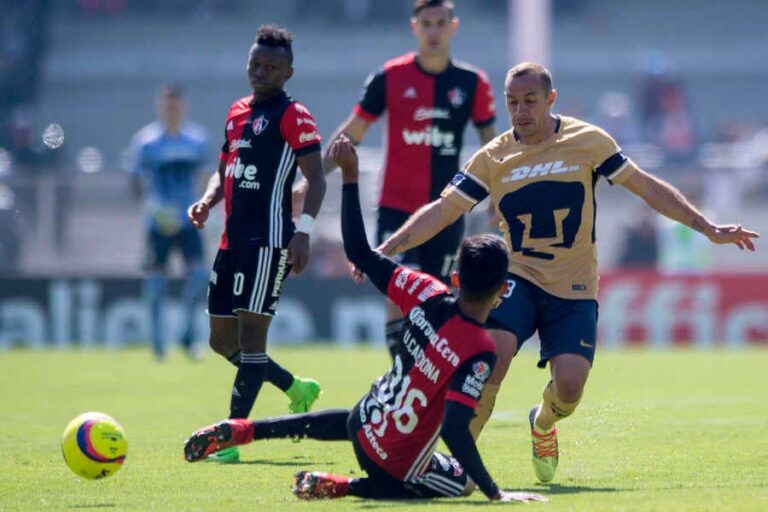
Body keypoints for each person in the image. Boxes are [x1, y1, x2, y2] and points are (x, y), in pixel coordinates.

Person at [378, 62, 760, 483]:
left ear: (551, 99)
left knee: (570, 387)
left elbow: (646, 187)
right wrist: (390, 247)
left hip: (574, 286)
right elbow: (444, 210)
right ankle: (459, 470)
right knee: (491, 356)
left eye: (530, 101)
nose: (520, 110)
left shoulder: (588, 141)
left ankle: (542, 422)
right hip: (518, 277)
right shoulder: (493, 156)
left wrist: (707, 227)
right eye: (512, 102)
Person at [183, 137, 546, 505]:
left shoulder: (425, 291)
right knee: (461, 482)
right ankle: (346, 486)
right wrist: (495, 493)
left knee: (367, 423)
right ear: (503, 289)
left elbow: (358, 251)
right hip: (393, 463)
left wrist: (350, 176)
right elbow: (454, 429)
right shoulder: (480, 350)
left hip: (364, 420)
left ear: (456, 278)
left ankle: (244, 429)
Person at [297, 0, 497, 360]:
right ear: (414, 27)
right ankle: (399, 372)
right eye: (426, 24)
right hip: (396, 206)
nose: (433, 31)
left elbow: (491, 146)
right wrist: (312, 179)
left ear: (453, 26)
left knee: (438, 296)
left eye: (440, 23)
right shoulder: (389, 77)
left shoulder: (472, 83)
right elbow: (352, 133)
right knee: (397, 290)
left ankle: (426, 373)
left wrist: (499, 194)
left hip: (447, 210)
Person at [185, 25, 327, 462]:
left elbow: (317, 178)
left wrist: (303, 232)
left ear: (288, 73)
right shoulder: (236, 111)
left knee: (251, 339)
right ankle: (295, 387)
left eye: (270, 66)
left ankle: (229, 440)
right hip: (230, 243)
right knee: (220, 341)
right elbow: (224, 170)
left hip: (268, 241)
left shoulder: (294, 115)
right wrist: (207, 200)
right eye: (255, 64)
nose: (260, 71)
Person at [127, 84, 209, 360]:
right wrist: (152, 207)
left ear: (183, 107)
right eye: (167, 105)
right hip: (158, 224)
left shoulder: (197, 140)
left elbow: (204, 179)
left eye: (175, 105)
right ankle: (157, 343)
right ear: (159, 107)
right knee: (155, 284)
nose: (171, 110)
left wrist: (207, 210)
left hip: (188, 222)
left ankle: (188, 336)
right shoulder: (146, 142)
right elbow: (135, 182)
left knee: (200, 276)